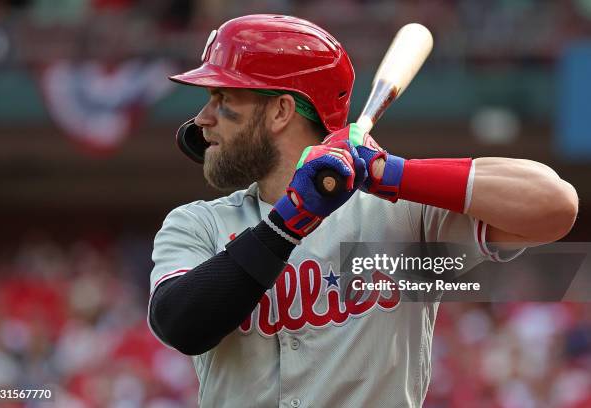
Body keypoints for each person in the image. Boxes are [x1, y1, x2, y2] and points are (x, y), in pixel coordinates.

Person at [147, 14, 578, 407]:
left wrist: (389, 173)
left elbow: (554, 205)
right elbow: (181, 324)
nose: (203, 118)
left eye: (222, 97)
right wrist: (290, 220)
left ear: (280, 110)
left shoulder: (404, 214)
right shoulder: (197, 224)